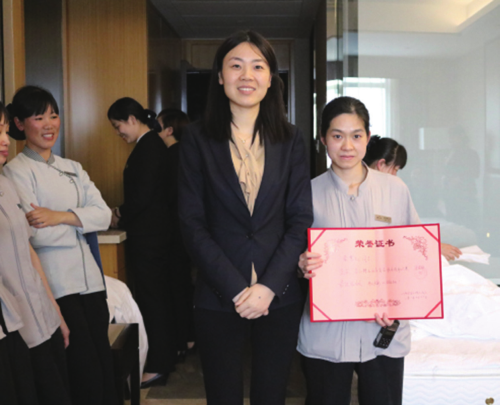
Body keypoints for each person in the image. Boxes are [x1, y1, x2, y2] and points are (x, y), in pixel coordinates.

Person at [178, 30, 313, 405]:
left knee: (272, 393)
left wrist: (268, 287)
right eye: (235, 66)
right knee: (222, 395)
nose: (247, 75)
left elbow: (300, 218)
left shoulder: (291, 140)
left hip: (279, 294)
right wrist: (238, 290)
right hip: (218, 293)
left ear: (270, 79)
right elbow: (191, 223)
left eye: (258, 66)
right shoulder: (197, 139)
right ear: (220, 77)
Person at [297, 97, 419, 405]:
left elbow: (415, 257)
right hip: (327, 332)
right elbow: (290, 254)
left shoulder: (395, 190)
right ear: (323, 139)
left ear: (367, 137)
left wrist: (401, 302)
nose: (347, 146)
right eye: (337, 136)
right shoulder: (307, 193)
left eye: (356, 135)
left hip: (383, 328)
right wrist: (301, 264)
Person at [3, 85, 117, 405]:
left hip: (91, 282)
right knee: (83, 371)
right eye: (39, 117)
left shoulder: (73, 168)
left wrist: (58, 216)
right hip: (57, 285)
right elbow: (34, 233)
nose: (49, 124)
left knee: (103, 366)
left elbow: (104, 215)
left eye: (53, 115)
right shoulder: (15, 172)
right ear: (20, 124)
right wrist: (81, 223)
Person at [108, 98, 176, 388]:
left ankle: (158, 365)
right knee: (155, 297)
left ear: (132, 119)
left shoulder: (148, 148)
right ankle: (162, 360)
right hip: (154, 236)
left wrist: (119, 213)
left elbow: (142, 196)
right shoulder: (150, 146)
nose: (118, 133)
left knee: (152, 299)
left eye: (118, 126)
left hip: (150, 238)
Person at [364, 135, 462, 261]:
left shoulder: (395, 188)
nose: (395, 175)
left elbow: (414, 226)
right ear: (381, 164)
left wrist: (434, 245)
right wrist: (433, 246)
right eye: (395, 169)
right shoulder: (359, 192)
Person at [157, 108, 195, 359]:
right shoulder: (189, 153)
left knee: (177, 285)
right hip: (189, 229)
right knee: (185, 284)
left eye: (157, 127)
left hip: (175, 230)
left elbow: (166, 198)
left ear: (168, 130)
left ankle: (185, 339)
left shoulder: (170, 157)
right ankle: (189, 336)